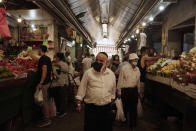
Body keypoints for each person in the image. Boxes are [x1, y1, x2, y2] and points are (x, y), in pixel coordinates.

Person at [76, 52, 116, 131]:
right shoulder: (88, 73)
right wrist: (78, 103)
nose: (98, 62)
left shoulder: (111, 74)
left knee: (105, 128)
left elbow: (113, 90)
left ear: (106, 63)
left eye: (101, 61)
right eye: (97, 60)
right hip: (91, 109)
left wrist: (111, 100)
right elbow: (82, 88)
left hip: (106, 109)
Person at [117, 53, 140, 131]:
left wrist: (139, 91)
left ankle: (132, 125)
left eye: (137, 60)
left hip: (134, 90)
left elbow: (138, 81)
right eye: (134, 60)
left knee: (134, 108)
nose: (136, 61)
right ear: (130, 60)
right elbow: (120, 80)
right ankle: (124, 122)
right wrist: (119, 91)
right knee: (125, 107)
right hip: (125, 91)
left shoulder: (137, 69)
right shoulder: (124, 68)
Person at [36, 45, 52, 127]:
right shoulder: (47, 58)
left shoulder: (43, 59)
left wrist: (41, 82)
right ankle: (47, 117)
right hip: (47, 82)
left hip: (44, 83)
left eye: (38, 49)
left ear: (40, 50)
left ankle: (47, 120)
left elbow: (44, 71)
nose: (38, 51)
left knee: (44, 101)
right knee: (45, 100)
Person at [52, 53, 69, 118]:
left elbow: (66, 70)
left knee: (62, 98)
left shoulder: (64, 64)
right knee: (57, 98)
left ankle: (63, 111)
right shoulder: (53, 64)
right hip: (55, 83)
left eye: (55, 57)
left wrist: (59, 66)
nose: (54, 58)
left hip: (62, 83)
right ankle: (58, 110)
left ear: (58, 58)